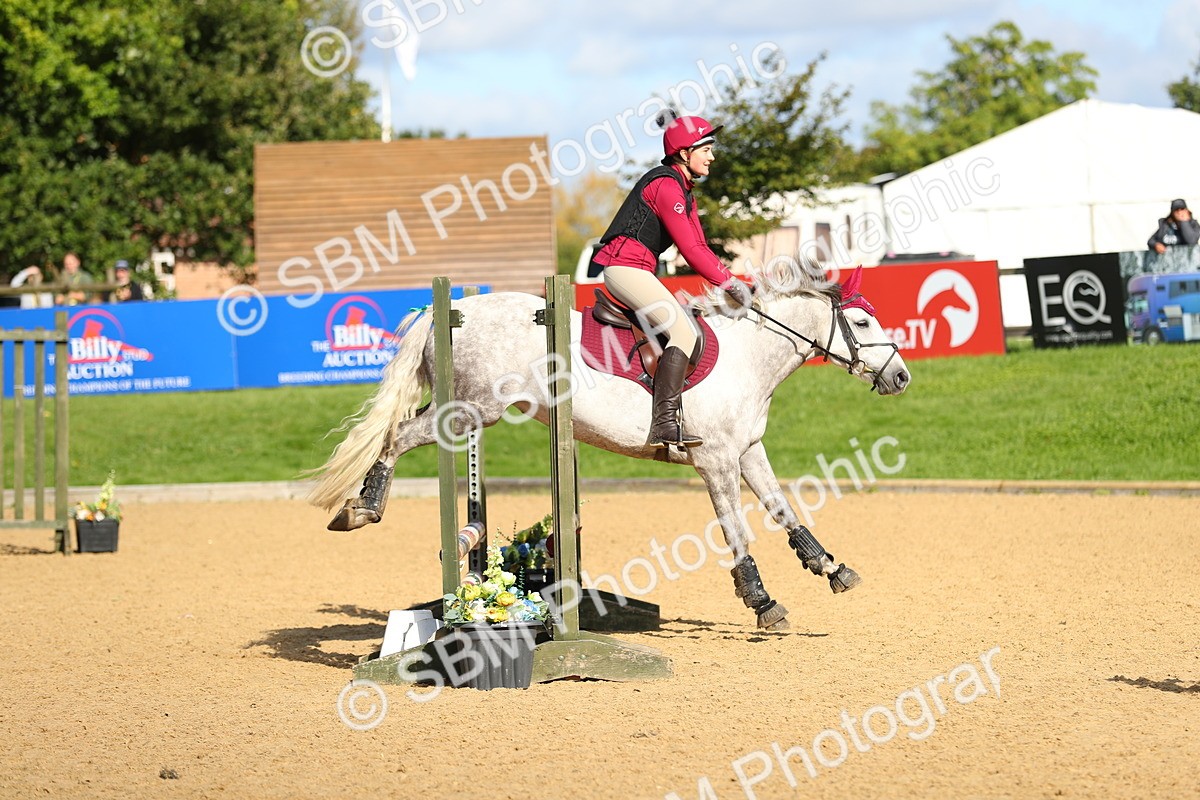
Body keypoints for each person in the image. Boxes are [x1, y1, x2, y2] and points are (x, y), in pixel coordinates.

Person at [589, 113, 751, 449]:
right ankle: (663, 425)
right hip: (624, 268)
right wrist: (730, 283)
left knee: (683, 324)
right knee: (683, 331)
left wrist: (732, 280)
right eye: (706, 149)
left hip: (638, 269)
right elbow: (691, 251)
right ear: (684, 152)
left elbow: (702, 247)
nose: (712, 156)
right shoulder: (666, 186)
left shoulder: (684, 191)